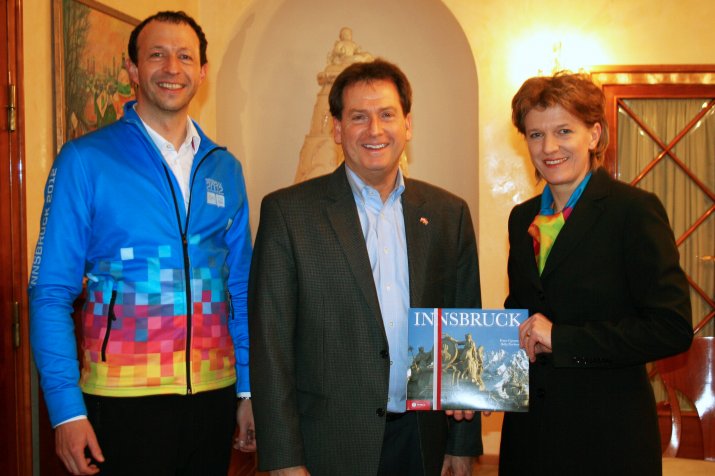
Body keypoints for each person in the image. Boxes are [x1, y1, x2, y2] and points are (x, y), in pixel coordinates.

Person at [29, 11, 254, 476]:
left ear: (202, 72)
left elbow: (240, 287)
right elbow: (49, 292)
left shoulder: (225, 168)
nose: (172, 68)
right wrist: (66, 411)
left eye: (185, 56)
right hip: (122, 402)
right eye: (157, 55)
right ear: (132, 69)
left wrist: (248, 389)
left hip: (214, 396)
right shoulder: (85, 160)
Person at [249, 59, 483, 476]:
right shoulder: (289, 214)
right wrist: (284, 458)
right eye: (359, 117)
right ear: (337, 129)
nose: (375, 130)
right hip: (327, 446)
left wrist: (462, 444)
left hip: (422, 442)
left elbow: (465, 325)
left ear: (407, 125)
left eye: (387, 114)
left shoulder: (449, 214)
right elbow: (271, 346)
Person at [499, 72, 693, 475]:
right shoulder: (521, 219)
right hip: (529, 440)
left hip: (608, 442)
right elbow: (521, 315)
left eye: (563, 131)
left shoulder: (633, 211)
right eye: (536, 135)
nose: (548, 147)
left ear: (594, 134)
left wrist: (562, 338)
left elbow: (671, 327)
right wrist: (476, 381)